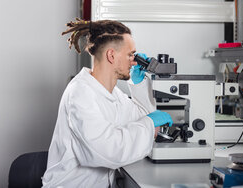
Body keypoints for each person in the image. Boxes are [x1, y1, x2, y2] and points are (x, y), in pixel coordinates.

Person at [42, 18, 173, 188]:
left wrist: (138, 84)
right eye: (130, 54)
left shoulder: (112, 93)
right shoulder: (80, 94)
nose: (134, 60)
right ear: (111, 55)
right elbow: (109, 151)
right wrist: (149, 123)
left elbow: (142, 118)